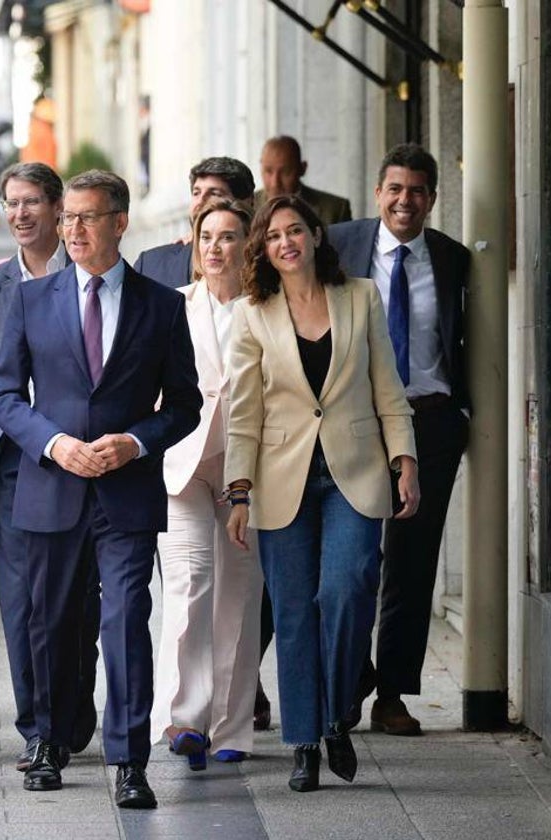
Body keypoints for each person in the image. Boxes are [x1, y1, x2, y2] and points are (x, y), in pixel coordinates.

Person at [0, 170, 200, 810]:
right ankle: (49, 743)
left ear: (120, 222)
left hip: (127, 491)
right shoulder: (29, 300)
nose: (73, 229)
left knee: (125, 620)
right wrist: (55, 444)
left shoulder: (161, 305)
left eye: (87, 217)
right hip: (51, 486)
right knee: (50, 621)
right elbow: (2, 396)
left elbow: (185, 405)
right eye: (68, 218)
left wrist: (134, 442)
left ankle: (130, 760)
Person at [223, 194, 419, 793]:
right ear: (266, 248)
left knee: (348, 588)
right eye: (275, 235)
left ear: (315, 236)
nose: (287, 242)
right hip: (283, 477)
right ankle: (306, 739)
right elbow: (243, 411)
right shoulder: (253, 312)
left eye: (296, 231)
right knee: (292, 609)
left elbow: (387, 385)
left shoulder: (359, 296)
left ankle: (338, 713)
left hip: (354, 472)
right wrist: (238, 491)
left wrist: (404, 460)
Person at [329, 143, 471, 736]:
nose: (404, 200)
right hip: (356, 422)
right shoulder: (340, 245)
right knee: (351, 562)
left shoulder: (454, 259)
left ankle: (391, 695)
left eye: (416, 191)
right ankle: (350, 676)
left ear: (432, 199)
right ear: (378, 193)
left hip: (430, 423)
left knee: (413, 566)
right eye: (395, 189)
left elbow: (464, 341)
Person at [0, 162, 100, 773]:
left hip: (88, 462)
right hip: (16, 466)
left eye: (31, 204)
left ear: (59, 210)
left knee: (79, 603)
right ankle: (37, 727)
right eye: (10, 203)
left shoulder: (91, 276)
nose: (19, 215)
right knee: (23, 603)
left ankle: (71, 710)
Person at [151, 198, 264, 767]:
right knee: (189, 582)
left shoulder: (266, 310)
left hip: (250, 469)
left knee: (240, 595)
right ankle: (184, 718)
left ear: (248, 245)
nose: (216, 247)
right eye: (207, 237)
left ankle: (232, 728)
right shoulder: (173, 306)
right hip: (183, 463)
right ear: (194, 248)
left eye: (228, 237)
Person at [134, 156, 256, 290]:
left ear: (247, 203)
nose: (200, 202)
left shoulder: (269, 264)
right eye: (196, 193)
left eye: (214, 193)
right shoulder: (149, 265)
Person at [253, 136, 353, 226]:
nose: (275, 183)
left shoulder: (335, 210)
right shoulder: (246, 207)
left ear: (302, 168)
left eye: (286, 172)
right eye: (268, 171)